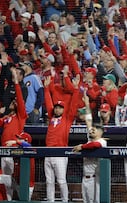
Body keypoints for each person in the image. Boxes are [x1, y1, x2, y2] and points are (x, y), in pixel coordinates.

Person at [43, 74, 80, 202]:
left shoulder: (67, 119)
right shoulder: (51, 118)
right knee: (49, 181)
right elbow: (48, 102)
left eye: (60, 108)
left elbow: (74, 105)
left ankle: (65, 201)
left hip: (60, 152)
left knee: (61, 180)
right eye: (57, 107)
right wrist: (46, 89)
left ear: (64, 110)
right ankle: (50, 200)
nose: (57, 109)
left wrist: (76, 90)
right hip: (48, 152)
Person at [0, 68, 27, 200]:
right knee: (7, 180)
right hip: (4, 151)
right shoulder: (7, 117)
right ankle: (9, 199)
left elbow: (20, 100)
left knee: (10, 177)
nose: (13, 102)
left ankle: (19, 192)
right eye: (12, 101)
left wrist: (16, 83)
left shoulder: (21, 116)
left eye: (15, 101)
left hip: (13, 151)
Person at [73, 91, 107, 203]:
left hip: (95, 179)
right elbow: (88, 120)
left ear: (100, 132)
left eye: (95, 130)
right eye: (92, 129)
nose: (91, 130)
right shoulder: (90, 138)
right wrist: (87, 104)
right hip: (85, 178)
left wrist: (82, 147)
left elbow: (95, 145)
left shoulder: (102, 141)